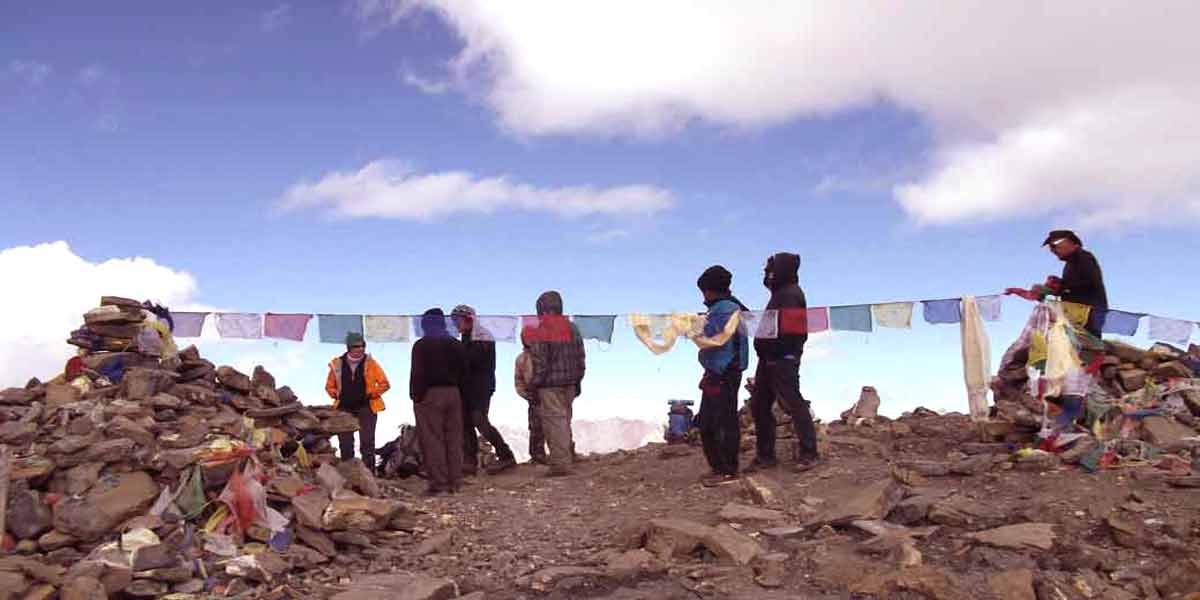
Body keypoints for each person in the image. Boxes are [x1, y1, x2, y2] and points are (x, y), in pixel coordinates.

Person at [747, 252, 821, 472]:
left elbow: (791, 332)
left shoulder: (790, 295)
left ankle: (809, 453)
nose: (767, 273)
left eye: (770, 269)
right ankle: (765, 456)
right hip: (770, 358)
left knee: (792, 402)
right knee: (760, 405)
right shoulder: (780, 294)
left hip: (781, 358)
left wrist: (777, 354)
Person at [690, 265, 750, 487]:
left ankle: (727, 470)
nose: (703, 296)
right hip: (724, 370)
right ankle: (720, 467)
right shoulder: (730, 307)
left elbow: (713, 340)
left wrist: (693, 326)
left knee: (719, 421)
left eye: (705, 291)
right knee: (713, 420)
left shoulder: (724, 310)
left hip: (722, 371)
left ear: (711, 289)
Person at [524, 291, 586, 477]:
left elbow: (540, 362)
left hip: (550, 385)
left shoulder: (543, 330)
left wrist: (534, 385)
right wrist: (578, 381)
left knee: (554, 423)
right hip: (570, 384)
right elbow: (581, 358)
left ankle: (560, 465)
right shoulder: (573, 328)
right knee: (565, 421)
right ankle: (567, 458)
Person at [451, 305, 517, 475]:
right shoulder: (466, 337)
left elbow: (474, 361)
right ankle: (469, 462)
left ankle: (506, 455)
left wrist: (457, 355)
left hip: (480, 387)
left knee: (479, 420)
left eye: (458, 320)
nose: (456, 324)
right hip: (466, 387)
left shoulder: (482, 336)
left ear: (469, 319)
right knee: (466, 423)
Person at [409, 309, 468, 495]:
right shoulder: (456, 344)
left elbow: (417, 374)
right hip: (454, 394)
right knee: (454, 439)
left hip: (430, 394)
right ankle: (455, 482)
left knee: (433, 440)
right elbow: (465, 372)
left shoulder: (421, 345)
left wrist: (416, 396)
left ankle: (439, 484)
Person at [324, 332, 390, 474]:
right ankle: (348, 474)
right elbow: (329, 387)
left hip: (367, 406)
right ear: (349, 347)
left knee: (367, 442)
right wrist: (336, 394)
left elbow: (385, 384)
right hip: (344, 408)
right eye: (356, 346)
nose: (360, 349)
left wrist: (370, 394)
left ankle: (369, 474)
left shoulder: (370, 363)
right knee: (345, 443)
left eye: (362, 346)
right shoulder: (337, 364)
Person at [1041, 229, 1108, 340]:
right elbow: (1074, 286)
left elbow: (1090, 281)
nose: (1052, 250)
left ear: (1069, 242)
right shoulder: (1071, 262)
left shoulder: (1083, 256)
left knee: (1087, 346)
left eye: (1054, 245)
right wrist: (1057, 286)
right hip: (1078, 317)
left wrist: (1061, 287)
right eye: (1050, 247)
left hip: (1087, 317)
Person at [514, 335, 548, 464]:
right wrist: (526, 395)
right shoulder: (521, 359)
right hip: (533, 394)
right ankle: (537, 456)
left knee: (554, 423)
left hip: (549, 391)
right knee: (535, 426)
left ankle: (563, 452)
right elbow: (518, 380)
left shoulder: (546, 354)